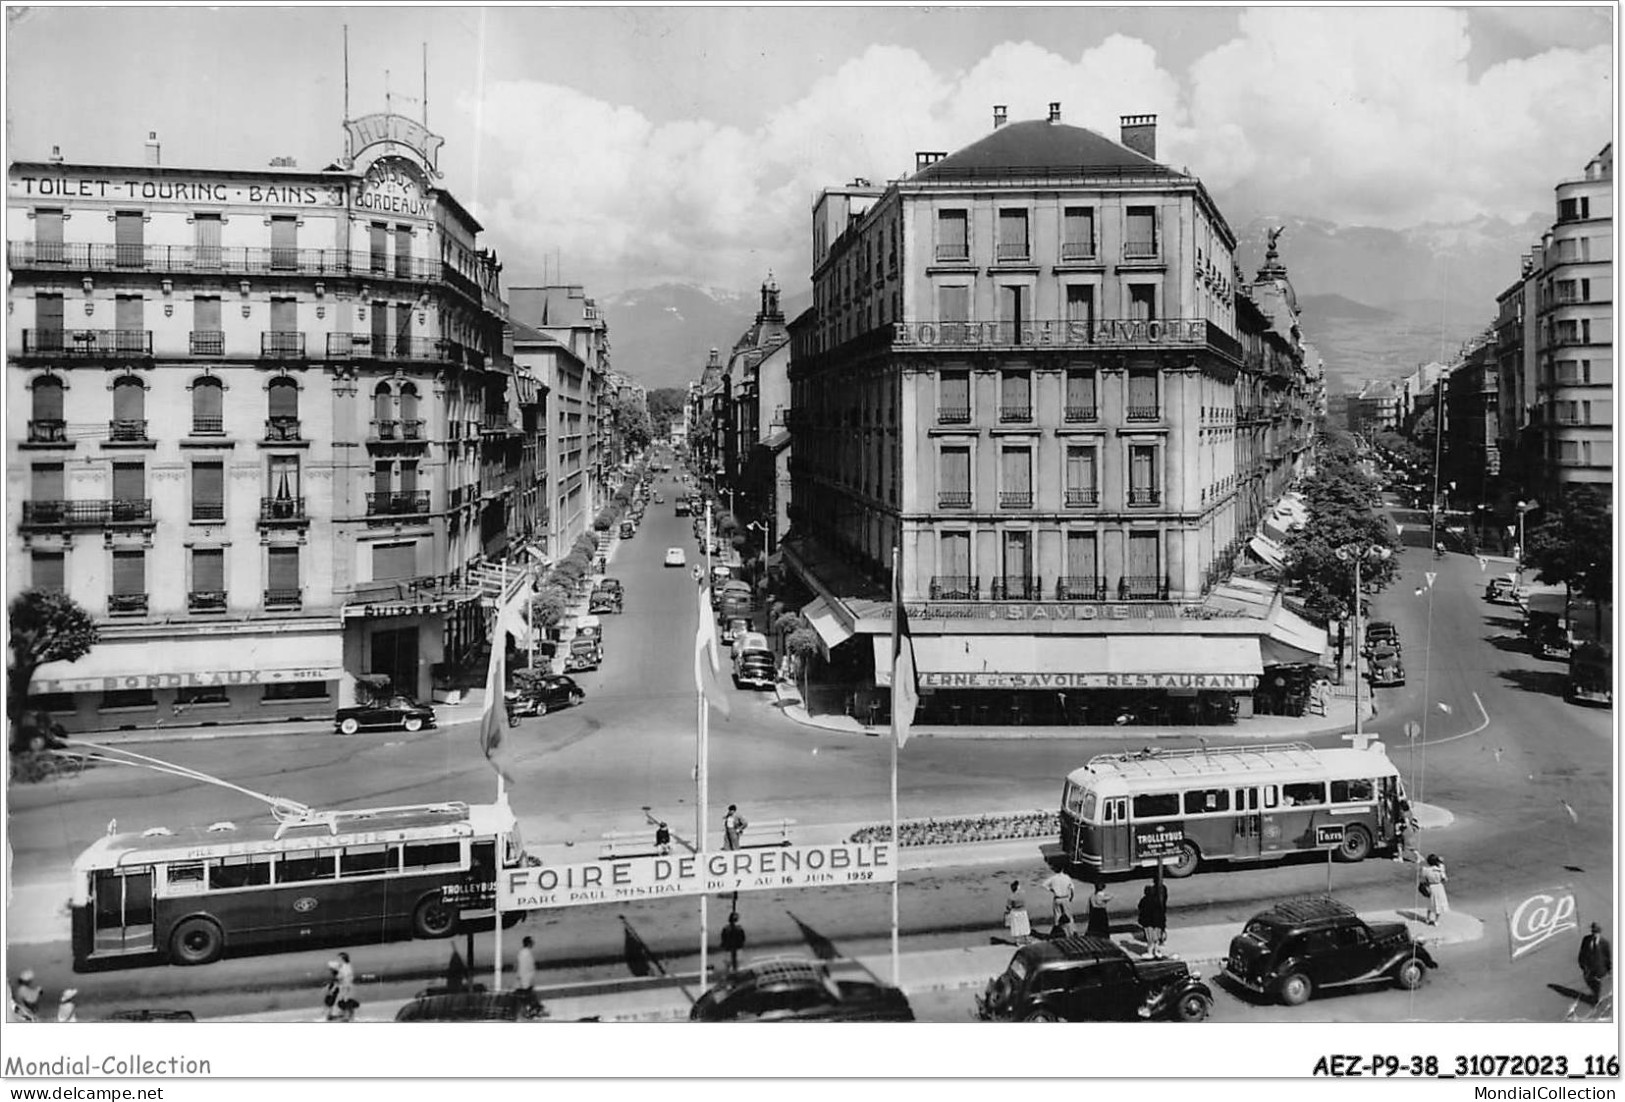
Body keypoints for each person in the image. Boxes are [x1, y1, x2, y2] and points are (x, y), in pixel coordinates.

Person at [1578, 923, 1612, 1004]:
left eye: (1596, 932)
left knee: (1597, 984)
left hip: (1599, 967)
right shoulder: (1586, 939)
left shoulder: (1604, 943)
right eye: (1593, 932)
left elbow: (1607, 956)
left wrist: (1609, 968)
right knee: (1589, 981)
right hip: (1588, 967)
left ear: (1599, 933)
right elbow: (1582, 952)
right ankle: (1595, 994)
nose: (1594, 934)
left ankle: (1596, 997)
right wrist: (1581, 963)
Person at [1138, 884, 1168, 958]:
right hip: (1158, 923)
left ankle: (1150, 952)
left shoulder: (1144, 900)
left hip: (1149, 923)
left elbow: (1141, 909)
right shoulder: (1157, 900)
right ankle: (1156, 951)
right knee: (1156, 938)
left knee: (1150, 939)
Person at [1420, 854, 1450, 925]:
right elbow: (1445, 879)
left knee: (1430, 903)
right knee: (1438, 905)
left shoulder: (1425, 870)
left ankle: (1427, 919)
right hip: (1439, 887)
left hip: (1430, 887)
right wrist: (1441, 864)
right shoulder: (1440, 870)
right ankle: (1436, 921)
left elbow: (1423, 879)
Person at [1003, 880, 1032, 945]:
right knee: (1025, 925)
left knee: (1016, 927)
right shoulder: (1023, 893)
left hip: (1015, 912)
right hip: (1023, 911)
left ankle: (1017, 941)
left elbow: (1009, 907)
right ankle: (1027, 939)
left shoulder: (1011, 897)